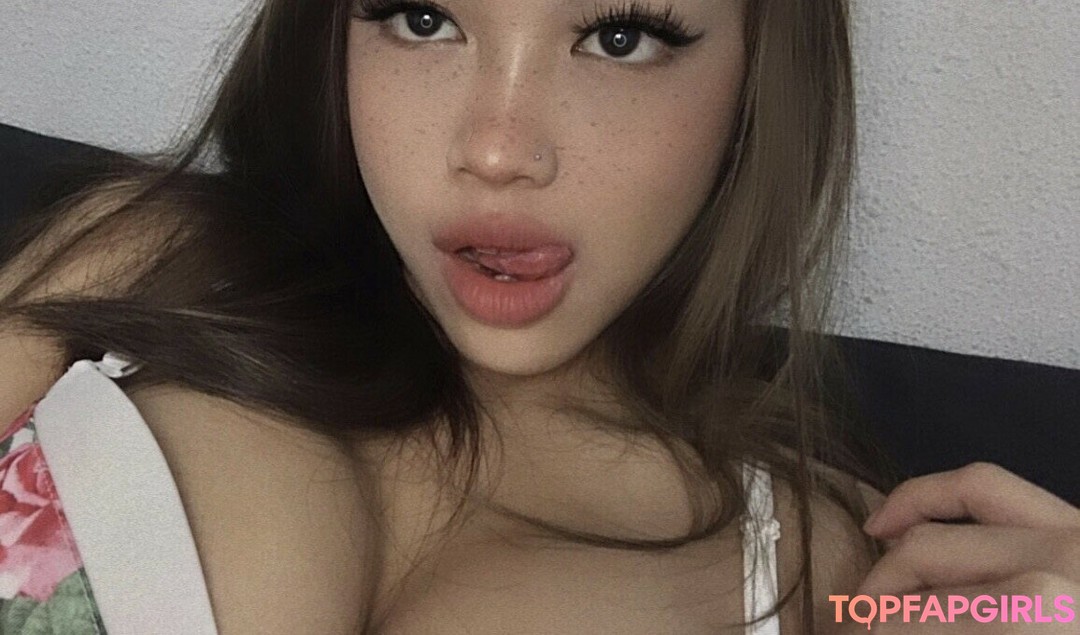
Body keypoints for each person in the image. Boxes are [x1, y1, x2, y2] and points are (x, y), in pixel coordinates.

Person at [0, 1, 1075, 634]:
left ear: (760, 65)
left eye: (620, 35)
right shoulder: (143, 251)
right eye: (422, 17)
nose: (497, 149)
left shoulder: (826, 559)